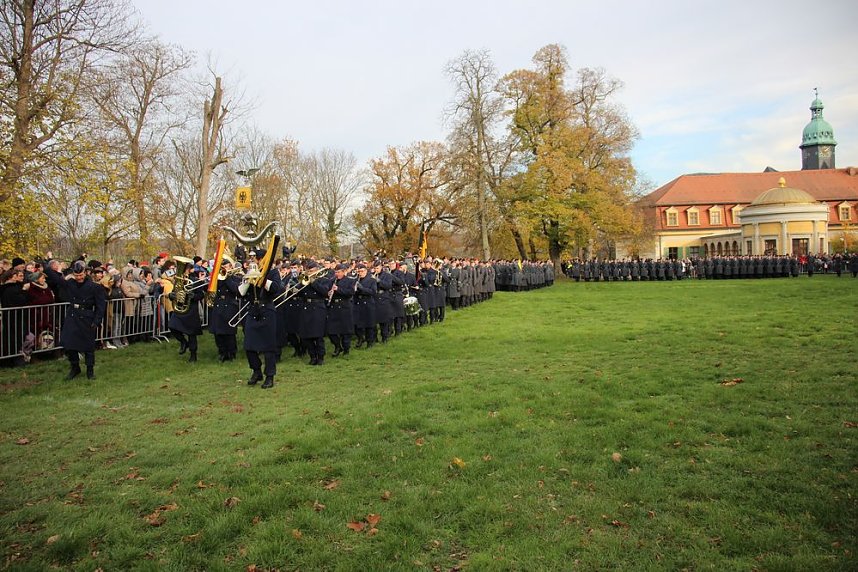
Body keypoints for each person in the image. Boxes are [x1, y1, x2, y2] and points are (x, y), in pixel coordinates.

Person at [44, 259, 106, 379]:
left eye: (81, 275)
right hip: (73, 316)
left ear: (86, 273)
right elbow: (57, 279)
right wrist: (46, 266)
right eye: (76, 275)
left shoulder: (95, 287)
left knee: (88, 347)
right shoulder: (70, 283)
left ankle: (90, 370)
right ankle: (75, 367)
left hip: (87, 317)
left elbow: (100, 306)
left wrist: (96, 321)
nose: (79, 278)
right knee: (69, 344)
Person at [240, 259, 285, 386]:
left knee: (268, 346)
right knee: (249, 345)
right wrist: (248, 278)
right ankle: (256, 371)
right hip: (253, 310)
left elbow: (276, 288)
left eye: (258, 260)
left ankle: (270, 376)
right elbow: (241, 292)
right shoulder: (249, 271)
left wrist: (261, 277)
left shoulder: (273, 272)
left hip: (267, 309)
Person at [167, 264, 205, 362]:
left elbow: (201, 294)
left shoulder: (195, 280)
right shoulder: (178, 281)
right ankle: (183, 342)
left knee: (191, 334)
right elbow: (174, 292)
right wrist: (171, 295)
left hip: (191, 309)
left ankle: (193, 355)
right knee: (172, 326)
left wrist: (193, 296)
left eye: (185, 269)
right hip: (180, 308)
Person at [208, 256, 241, 362]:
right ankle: (222, 352)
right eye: (223, 267)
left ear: (231, 267)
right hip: (218, 305)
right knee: (218, 332)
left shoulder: (235, 278)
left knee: (229, 332)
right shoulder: (216, 278)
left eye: (226, 266)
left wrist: (227, 277)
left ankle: (231, 353)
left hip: (230, 305)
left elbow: (235, 290)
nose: (224, 269)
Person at [326, 263, 356, 356]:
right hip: (333, 307)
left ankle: (346, 349)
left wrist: (338, 289)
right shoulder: (332, 280)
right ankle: (337, 346)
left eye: (338, 272)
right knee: (331, 331)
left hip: (344, 307)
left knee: (345, 331)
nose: (337, 274)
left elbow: (350, 293)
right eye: (336, 272)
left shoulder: (350, 281)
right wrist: (328, 293)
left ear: (344, 272)